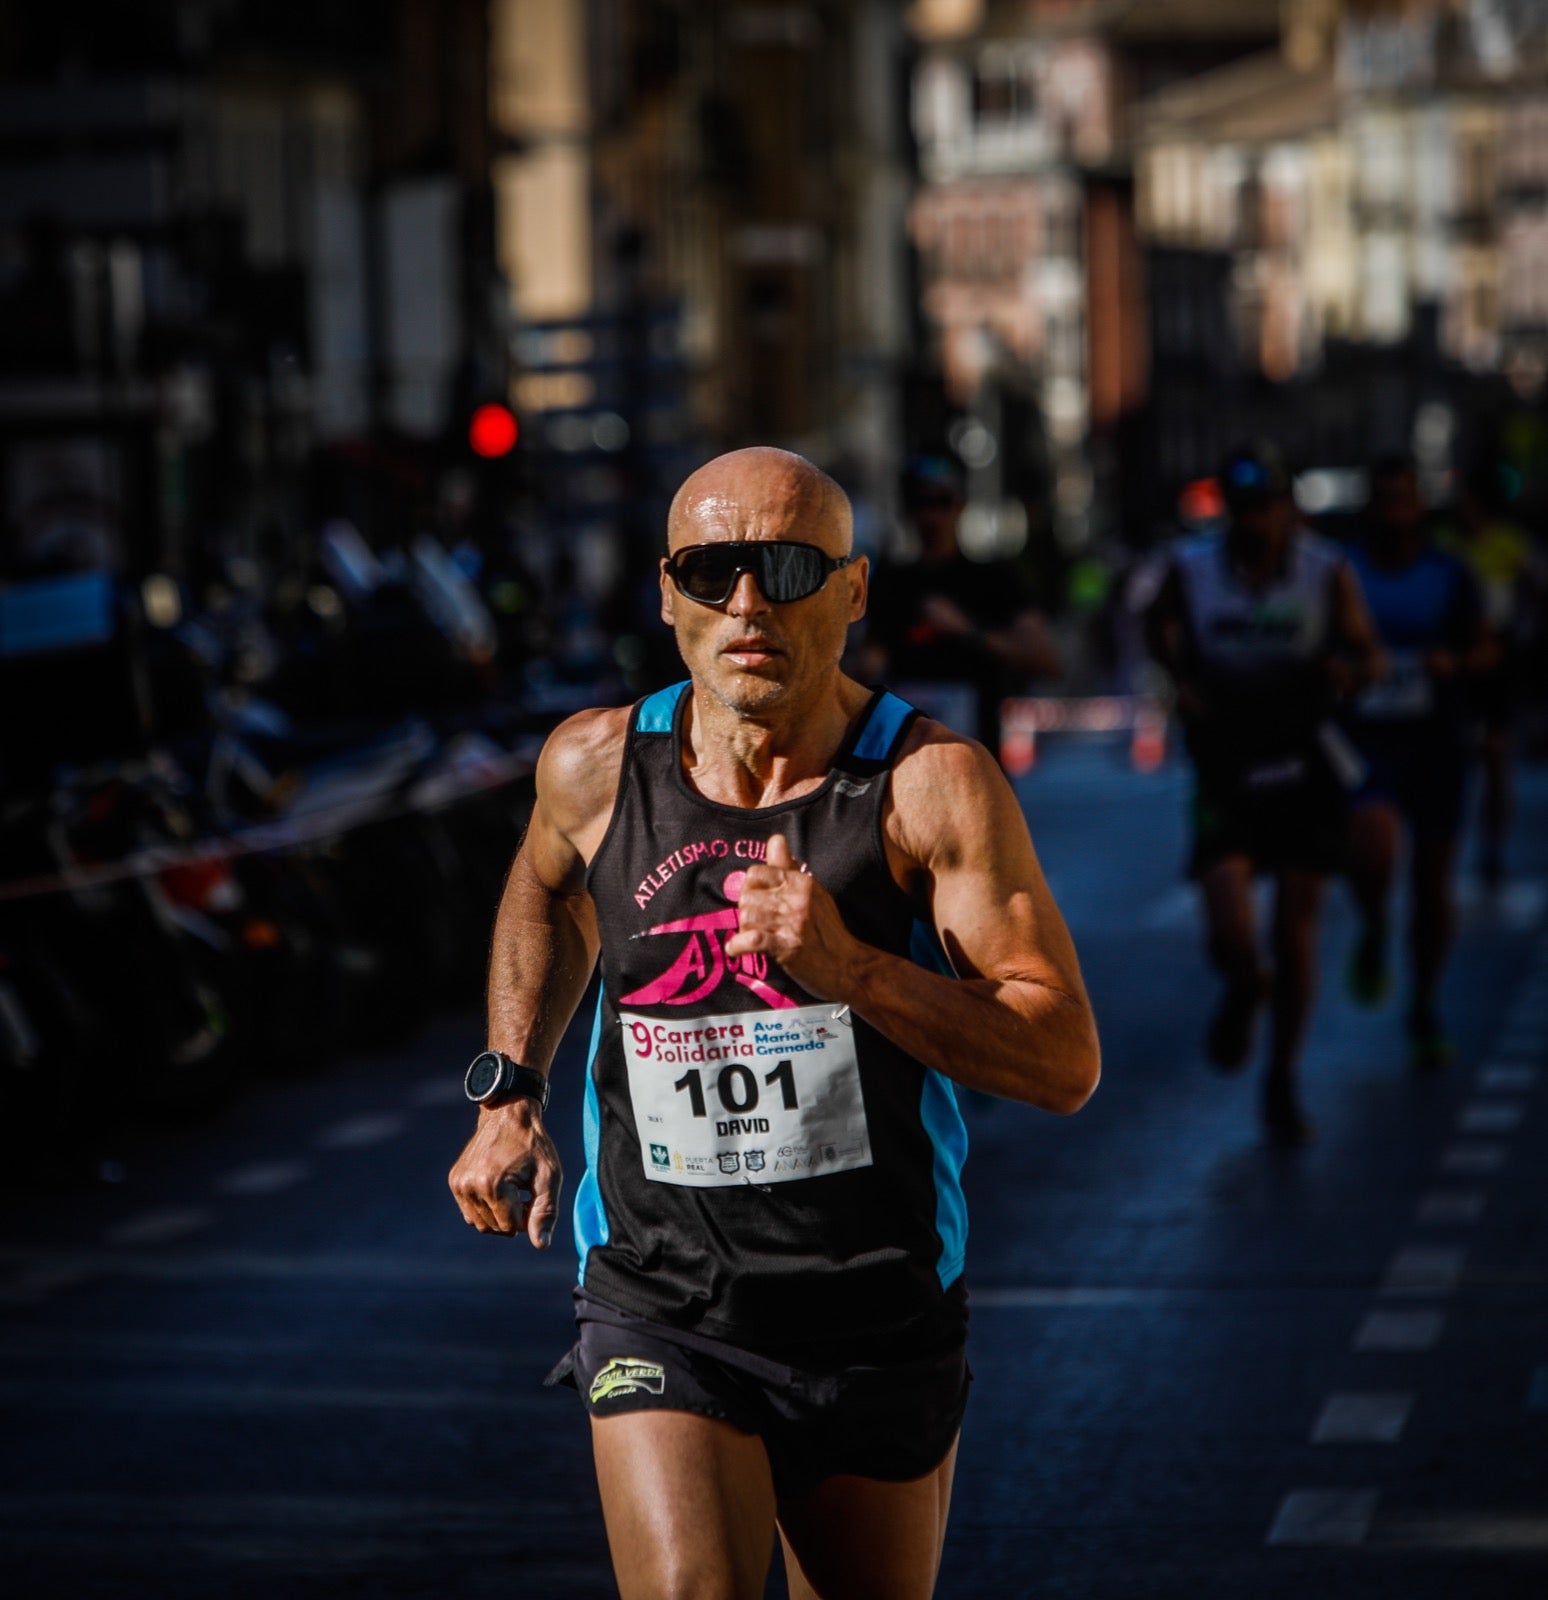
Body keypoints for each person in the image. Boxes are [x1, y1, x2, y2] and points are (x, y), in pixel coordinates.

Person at [448, 447, 1099, 1600]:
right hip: (662, 1297)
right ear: (667, 592)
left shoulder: (927, 785)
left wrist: (854, 969)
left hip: (875, 1305)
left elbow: (1060, 1058)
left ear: (851, 591)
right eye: (714, 569)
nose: (748, 602)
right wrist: (511, 1091)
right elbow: (545, 889)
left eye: (789, 567)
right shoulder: (597, 768)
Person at [1145, 441, 1382, 1145]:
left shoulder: (1324, 571)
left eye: (1266, 507)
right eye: (1243, 509)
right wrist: (1177, 677)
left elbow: (1370, 653)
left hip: (1303, 755)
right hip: (1227, 756)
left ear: (1287, 508)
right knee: (1231, 930)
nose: (1255, 523)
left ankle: (1282, 1075)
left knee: (1295, 926)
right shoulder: (1190, 570)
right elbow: (1154, 631)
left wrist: (1352, 672)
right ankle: (1247, 984)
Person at [1343, 453, 1497, 1070]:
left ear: (1418, 506)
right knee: (1374, 846)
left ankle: (1425, 1003)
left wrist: (1454, 665)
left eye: (1402, 499)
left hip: (1436, 739)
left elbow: (1487, 647)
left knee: (1434, 884)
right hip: (1366, 740)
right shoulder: (1343, 570)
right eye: (1382, 499)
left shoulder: (1449, 573)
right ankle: (1375, 919)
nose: (1393, 512)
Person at [861, 454, 1059, 752]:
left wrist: (967, 630)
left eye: (942, 502)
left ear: (960, 504)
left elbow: (1045, 660)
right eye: (920, 503)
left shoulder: (994, 579)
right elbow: (865, 664)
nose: (931, 516)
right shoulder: (890, 581)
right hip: (906, 761)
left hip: (977, 757)